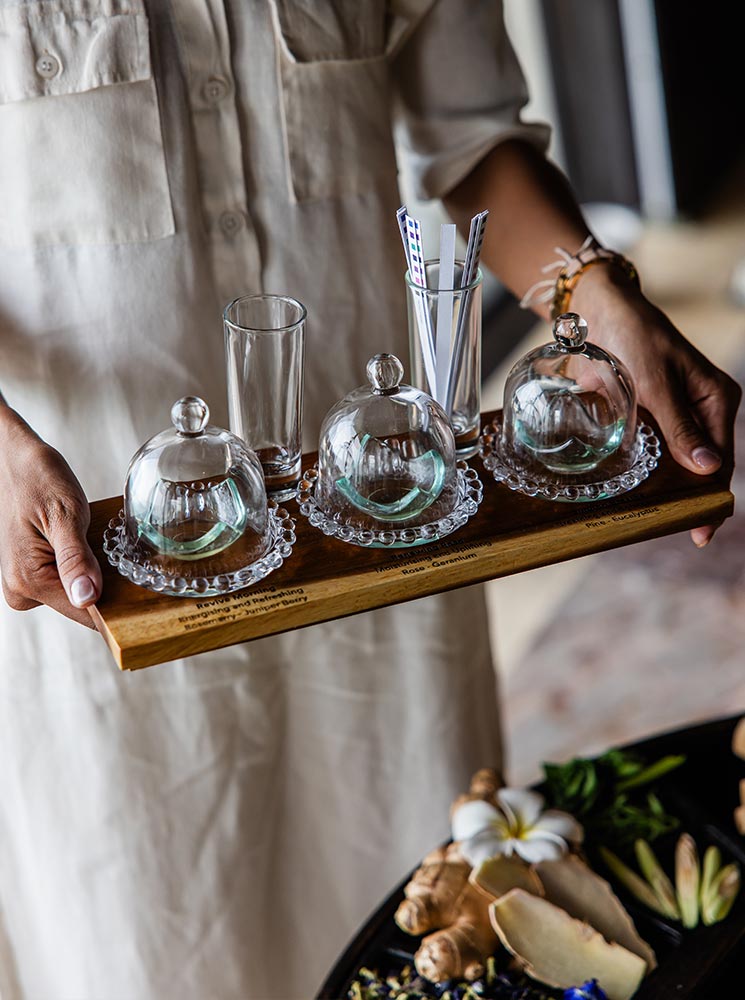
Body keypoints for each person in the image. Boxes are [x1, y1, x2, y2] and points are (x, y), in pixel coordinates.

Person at [0, 2, 739, 998]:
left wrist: (593, 294)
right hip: (96, 570)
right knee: (158, 935)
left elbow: (476, 140)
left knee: (418, 907)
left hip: (387, 518)